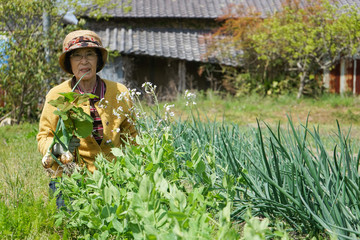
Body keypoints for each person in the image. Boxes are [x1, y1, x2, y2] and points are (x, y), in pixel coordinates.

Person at [37, 30, 137, 208]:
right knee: (73, 227)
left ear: (98, 59)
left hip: (112, 175)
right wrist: (57, 147)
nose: (84, 61)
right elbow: (43, 136)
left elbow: (132, 134)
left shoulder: (119, 91)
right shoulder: (56, 95)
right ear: (69, 62)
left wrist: (138, 169)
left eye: (90, 54)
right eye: (77, 56)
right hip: (70, 176)